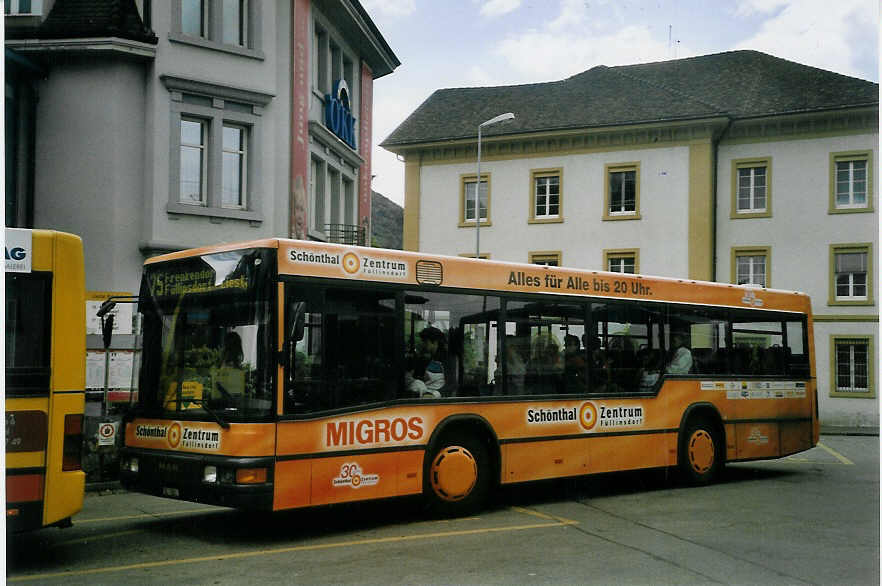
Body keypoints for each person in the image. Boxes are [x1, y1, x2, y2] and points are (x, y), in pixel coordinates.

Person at [418, 326, 447, 393]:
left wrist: (435, 394)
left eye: (425, 342)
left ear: (434, 342)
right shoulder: (429, 358)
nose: (423, 344)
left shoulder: (447, 358)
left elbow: (451, 384)